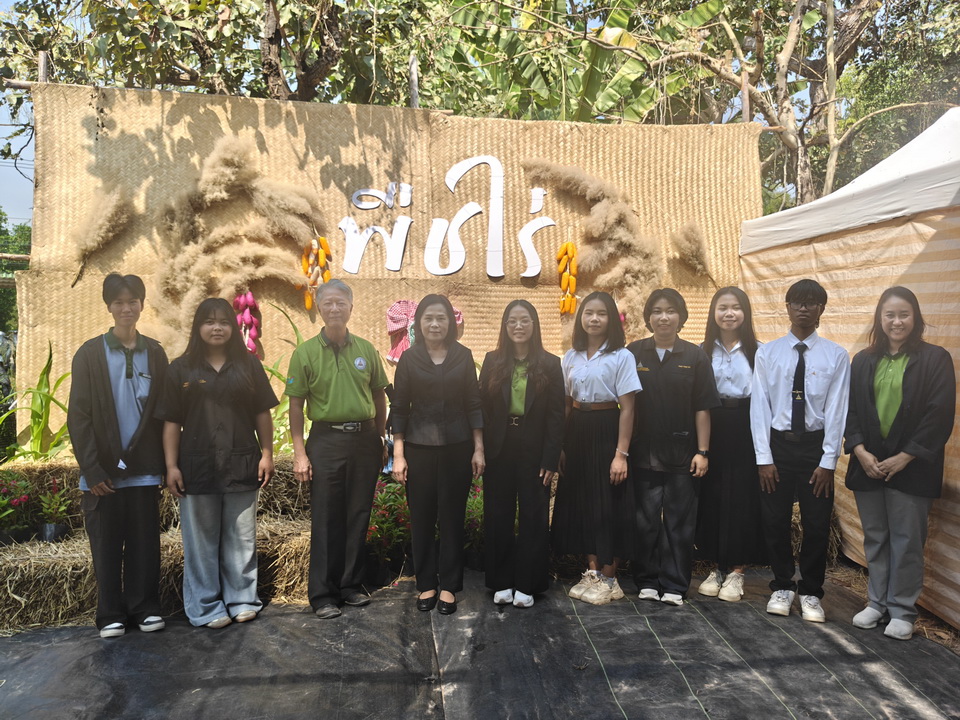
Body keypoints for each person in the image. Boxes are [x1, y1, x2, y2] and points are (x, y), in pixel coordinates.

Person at [159, 298, 278, 629]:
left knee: (241, 537)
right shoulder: (180, 369)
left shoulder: (248, 366)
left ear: (233, 327)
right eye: (209, 321)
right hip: (196, 466)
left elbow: (262, 413)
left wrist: (267, 453)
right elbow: (171, 421)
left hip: (242, 462)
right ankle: (206, 606)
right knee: (201, 541)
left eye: (224, 322)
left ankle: (242, 599)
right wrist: (171, 466)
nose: (217, 328)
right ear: (198, 327)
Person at [845, 287, 956, 641]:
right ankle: (876, 603)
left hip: (913, 466)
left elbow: (939, 414)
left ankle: (902, 609)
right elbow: (850, 409)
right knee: (876, 537)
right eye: (889, 315)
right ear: (880, 318)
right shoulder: (863, 360)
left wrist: (906, 456)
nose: (897, 321)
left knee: (907, 540)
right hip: (868, 464)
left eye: (904, 314)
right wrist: (860, 451)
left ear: (916, 318)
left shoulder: (935, 359)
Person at [67, 273, 168, 639]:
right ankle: (109, 613)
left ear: (141, 304)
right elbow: (78, 416)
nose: (126, 308)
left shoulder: (154, 352)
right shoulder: (90, 354)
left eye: (132, 302)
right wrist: (92, 469)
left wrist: (166, 465)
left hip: (143, 469)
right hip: (103, 473)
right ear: (109, 307)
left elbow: (163, 413)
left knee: (144, 543)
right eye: (119, 303)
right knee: (106, 544)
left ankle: (145, 608)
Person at [286, 279, 389, 620]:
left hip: (364, 440)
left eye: (340, 303)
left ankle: (350, 585)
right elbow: (296, 406)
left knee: (358, 514)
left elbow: (379, 395)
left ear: (350, 308)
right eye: (328, 303)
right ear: (319, 307)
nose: (334, 309)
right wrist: (300, 453)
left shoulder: (366, 350)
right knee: (327, 516)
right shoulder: (305, 353)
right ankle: (323, 594)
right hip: (325, 441)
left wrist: (380, 437)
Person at [751, 279, 850, 622]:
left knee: (817, 523)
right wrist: (764, 458)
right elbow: (759, 408)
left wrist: (828, 460)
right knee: (775, 520)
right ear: (788, 307)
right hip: (778, 446)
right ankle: (781, 585)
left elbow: (837, 410)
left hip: (815, 449)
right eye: (797, 302)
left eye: (811, 303)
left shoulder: (836, 355)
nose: (804, 308)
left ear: (822, 309)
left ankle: (810, 591)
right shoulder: (768, 353)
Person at [391, 294, 484, 615]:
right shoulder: (409, 359)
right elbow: (399, 408)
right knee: (422, 518)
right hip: (418, 449)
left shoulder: (463, 356)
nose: (434, 324)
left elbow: (474, 404)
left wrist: (479, 448)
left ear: (450, 323)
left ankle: (449, 586)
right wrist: (399, 454)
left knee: (452, 518)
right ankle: (427, 583)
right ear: (418, 323)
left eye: (441, 318)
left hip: (458, 448)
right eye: (428, 318)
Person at [628, 288, 719, 606]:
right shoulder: (634, 352)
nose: (663, 317)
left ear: (681, 317)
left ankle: (675, 585)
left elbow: (703, 407)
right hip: (643, 452)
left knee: (680, 522)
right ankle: (647, 580)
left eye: (670, 311)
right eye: (656, 311)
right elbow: (624, 404)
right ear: (648, 317)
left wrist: (703, 452)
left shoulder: (695, 356)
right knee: (645, 521)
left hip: (684, 452)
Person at [553, 291, 640, 605]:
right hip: (577, 430)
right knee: (584, 503)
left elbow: (628, 408)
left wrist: (621, 454)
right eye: (588, 313)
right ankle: (592, 572)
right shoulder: (571, 356)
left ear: (611, 319)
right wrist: (560, 445)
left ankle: (610, 577)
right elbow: (565, 404)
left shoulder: (621, 356)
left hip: (607, 428)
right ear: (581, 318)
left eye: (601, 313)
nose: (594, 319)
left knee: (608, 503)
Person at [478, 300, 565, 608]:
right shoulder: (492, 361)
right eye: (512, 320)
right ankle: (501, 581)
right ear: (505, 326)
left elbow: (557, 415)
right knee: (498, 514)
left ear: (534, 325)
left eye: (524, 320)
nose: (518, 326)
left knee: (534, 516)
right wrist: (481, 448)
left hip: (535, 450)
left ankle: (528, 584)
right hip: (499, 448)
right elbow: (481, 407)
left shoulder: (550, 364)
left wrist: (550, 458)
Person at [696, 287, 764, 602]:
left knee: (743, 497)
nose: (729, 313)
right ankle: (717, 567)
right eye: (722, 307)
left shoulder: (759, 352)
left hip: (746, 425)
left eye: (736, 307)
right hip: (711, 424)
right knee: (712, 495)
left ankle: (737, 570)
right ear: (713, 313)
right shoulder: (701, 351)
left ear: (745, 313)